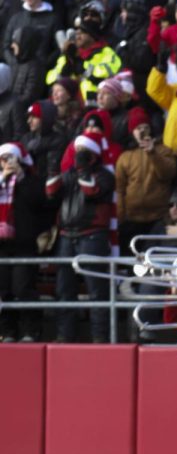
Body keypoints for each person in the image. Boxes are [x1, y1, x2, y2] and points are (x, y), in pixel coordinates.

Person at [45, 135, 115, 342]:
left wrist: (84, 171)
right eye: (78, 150)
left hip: (92, 237)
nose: (79, 154)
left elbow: (92, 191)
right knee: (64, 290)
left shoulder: (104, 176)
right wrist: (52, 169)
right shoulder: (68, 175)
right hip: (67, 236)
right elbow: (50, 193)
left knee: (96, 290)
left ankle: (100, 338)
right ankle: (64, 336)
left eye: (84, 150)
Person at [0, 141, 47, 342]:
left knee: (23, 287)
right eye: (3, 159)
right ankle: (7, 331)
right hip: (2, 245)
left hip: (23, 242)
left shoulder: (31, 181)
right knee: (4, 289)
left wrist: (20, 177)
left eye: (11, 158)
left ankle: (30, 330)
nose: (7, 162)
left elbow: (38, 201)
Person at [115, 108, 176, 251]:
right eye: (138, 128)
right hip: (132, 219)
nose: (142, 131)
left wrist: (152, 153)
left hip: (158, 218)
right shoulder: (125, 156)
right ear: (132, 132)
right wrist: (121, 217)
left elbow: (168, 173)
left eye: (146, 127)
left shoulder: (163, 151)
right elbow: (120, 189)